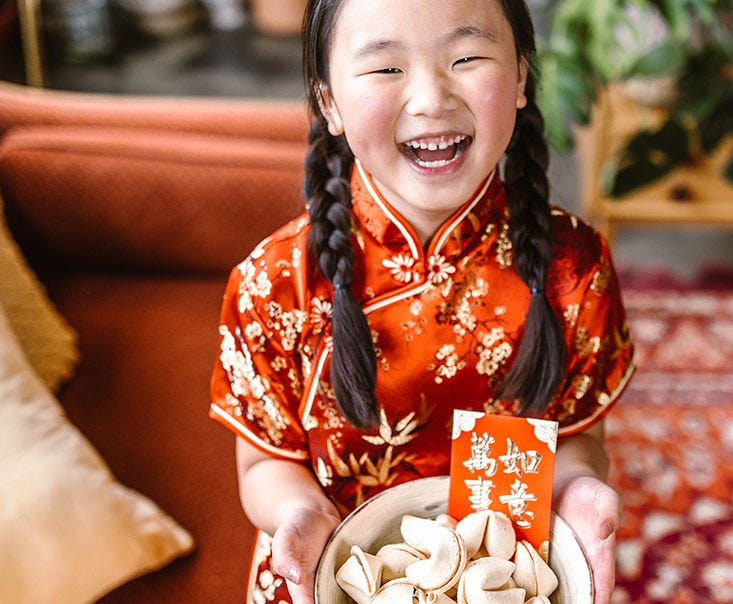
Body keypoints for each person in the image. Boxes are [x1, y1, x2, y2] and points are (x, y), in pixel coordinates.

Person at [208, 0, 636, 602]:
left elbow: (575, 439)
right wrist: (299, 515)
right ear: (328, 99)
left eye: (466, 57)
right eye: (386, 68)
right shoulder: (272, 284)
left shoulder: (575, 268)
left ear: (519, 75)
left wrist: (578, 491)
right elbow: (262, 466)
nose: (432, 99)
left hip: (510, 579)